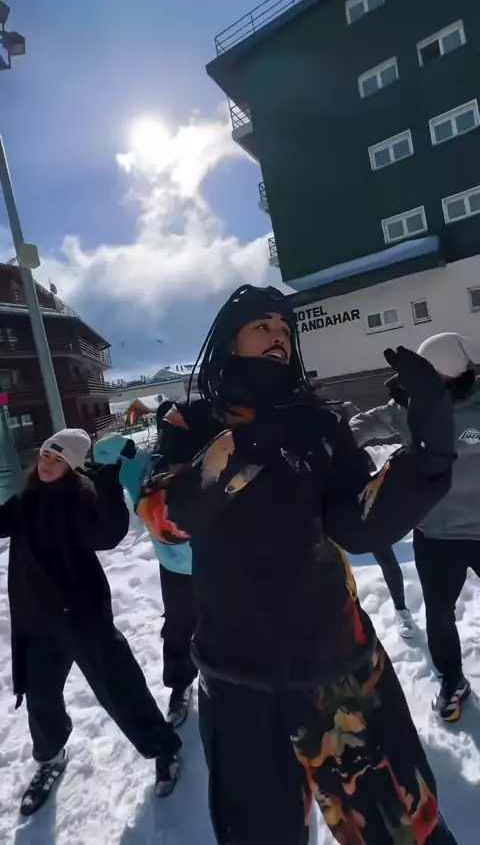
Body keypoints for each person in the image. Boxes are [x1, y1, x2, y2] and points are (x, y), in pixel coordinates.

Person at [136, 285, 457, 845]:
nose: (279, 337)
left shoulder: (319, 425)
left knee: (405, 833)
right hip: (237, 682)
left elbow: (358, 524)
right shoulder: (191, 423)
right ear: (229, 341)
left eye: (285, 330)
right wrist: (243, 445)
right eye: (263, 326)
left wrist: (425, 459)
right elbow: (164, 518)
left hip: (340, 670)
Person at [2, 429, 182, 817]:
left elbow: (109, 534)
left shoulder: (80, 499)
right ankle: (50, 758)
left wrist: (108, 484)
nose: (48, 464)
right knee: (41, 698)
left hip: (81, 615)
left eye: (59, 460)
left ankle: (162, 748)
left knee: (119, 687)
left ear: (72, 468)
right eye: (46, 455)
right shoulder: (26, 499)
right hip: (36, 621)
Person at [351, 332, 480, 721]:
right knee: (439, 616)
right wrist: (335, 441)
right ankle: (452, 680)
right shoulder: (408, 407)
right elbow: (364, 425)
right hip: (435, 535)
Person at [93, 432, 197, 726]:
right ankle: (180, 684)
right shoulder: (143, 466)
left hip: (218, 564)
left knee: (225, 626)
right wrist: (123, 446)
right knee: (178, 629)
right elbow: (101, 452)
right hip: (177, 569)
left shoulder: (217, 462)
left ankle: (227, 684)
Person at [314, 383, 414, 637]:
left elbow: (363, 428)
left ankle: (402, 609)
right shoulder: (300, 423)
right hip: (325, 502)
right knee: (328, 564)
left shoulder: (342, 412)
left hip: (361, 495)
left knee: (385, 555)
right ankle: (342, 617)